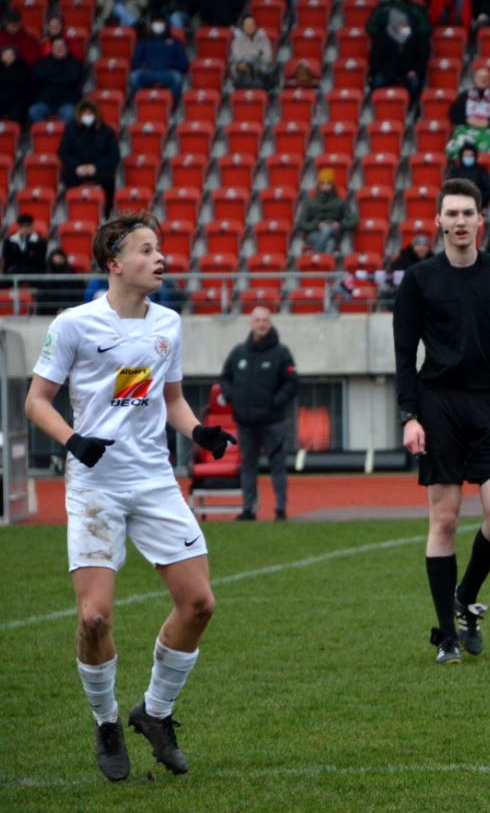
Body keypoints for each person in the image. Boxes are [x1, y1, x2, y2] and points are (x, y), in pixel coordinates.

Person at [24, 210, 236, 782]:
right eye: (146, 249)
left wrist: (200, 432)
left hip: (155, 481)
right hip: (96, 486)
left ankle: (155, 713)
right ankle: (106, 722)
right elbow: (37, 401)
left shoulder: (167, 322)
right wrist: (74, 441)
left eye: (159, 248)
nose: (159, 257)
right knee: (94, 617)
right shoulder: (74, 324)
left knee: (200, 604)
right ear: (114, 263)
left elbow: (169, 399)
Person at [393, 178, 490, 664]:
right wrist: (409, 415)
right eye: (451, 214)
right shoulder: (418, 280)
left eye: (467, 213)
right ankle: (447, 637)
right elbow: (404, 354)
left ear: (481, 220)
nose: (460, 222)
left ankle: (465, 596)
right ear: (438, 220)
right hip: (439, 405)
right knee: (445, 519)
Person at [220, 307, 299, 521]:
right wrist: (232, 398)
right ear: (251, 323)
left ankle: (280, 509)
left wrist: (275, 403)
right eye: (257, 320)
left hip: (272, 421)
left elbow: (292, 383)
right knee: (248, 466)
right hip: (245, 421)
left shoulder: (281, 353)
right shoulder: (239, 353)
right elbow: (225, 378)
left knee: (278, 465)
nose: (261, 324)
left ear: (270, 324)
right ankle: (249, 509)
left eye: (265, 320)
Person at [367, 0, 432, 100]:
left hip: (409, 66)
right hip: (387, 67)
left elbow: (425, 38)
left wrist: (415, 70)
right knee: (377, 82)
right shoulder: (383, 9)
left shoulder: (416, 10)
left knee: (414, 84)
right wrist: (379, 70)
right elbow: (372, 31)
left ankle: (412, 110)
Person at [58, 99, 121, 215]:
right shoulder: (71, 130)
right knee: (67, 177)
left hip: (99, 169)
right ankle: (73, 212)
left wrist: (96, 167)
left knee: (108, 179)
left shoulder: (107, 131)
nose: (87, 115)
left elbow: (114, 155)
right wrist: (77, 167)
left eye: (90, 113)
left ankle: (107, 212)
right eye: (85, 113)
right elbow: (63, 153)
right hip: (77, 169)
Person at [447, 66, 490, 159]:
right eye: (480, 77)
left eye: (486, 77)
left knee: (489, 139)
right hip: (468, 126)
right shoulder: (464, 96)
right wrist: (468, 120)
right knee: (460, 138)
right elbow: (453, 114)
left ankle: (486, 162)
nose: (483, 79)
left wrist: (489, 123)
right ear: (474, 79)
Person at [128, 13, 189, 102]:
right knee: (133, 77)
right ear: (151, 25)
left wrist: (171, 65)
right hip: (148, 73)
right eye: (155, 22)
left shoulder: (175, 42)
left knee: (178, 78)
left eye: (161, 22)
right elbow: (135, 63)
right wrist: (144, 66)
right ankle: (142, 102)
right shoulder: (144, 42)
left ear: (166, 24)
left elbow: (184, 64)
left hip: (168, 73)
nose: (158, 25)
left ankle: (172, 105)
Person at [295, 168, 357, 254]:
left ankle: (315, 256)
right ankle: (323, 261)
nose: (325, 186)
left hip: (335, 233)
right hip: (314, 233)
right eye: (323, 183)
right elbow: (300, 224)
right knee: (330, 243)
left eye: (328, 183)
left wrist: (340, 224)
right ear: (318, 185)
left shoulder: (340, 202)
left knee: (327, 230)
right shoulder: (310, 202)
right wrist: (317, 225)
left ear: (332, 185)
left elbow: (353, 220)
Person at [28, 36, 85, 125]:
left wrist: (50, 77)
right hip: (45, 101)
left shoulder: (75, 63)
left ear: (67, 48)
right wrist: (60, 77)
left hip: (67, 102)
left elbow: (73, 79)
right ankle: (44, 133)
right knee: (33, 111)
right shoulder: (43, 62)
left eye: (61, 46)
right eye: (56, 47)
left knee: (70, 113)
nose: (59, 49)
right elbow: (36, 78)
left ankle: (64, 134)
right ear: (52, 49)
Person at [229, 13, 275, 89]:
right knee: (243, 63)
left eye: (252, 24)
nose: (250, 27)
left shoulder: (264, 40)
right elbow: (237, 58)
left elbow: (268, 59)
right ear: (243, 27)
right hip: (242, 73)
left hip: (260, 72)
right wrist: (257, 55)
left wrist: (254, 61)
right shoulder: (236, 42)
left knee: (260, 66)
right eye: (247, 25)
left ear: (256, 26)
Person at [35, 248, 87, 315]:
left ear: (64, 259)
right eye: (55, 260)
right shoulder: (46, 281)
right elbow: (43, 303)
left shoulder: (73, 277)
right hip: (50, 315)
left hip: (71, 314)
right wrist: (55, 311)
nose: (58, 262)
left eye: (60, 259)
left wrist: (66, 310)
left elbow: (78, 298)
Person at [446, 140, 490, 209]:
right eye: (466, 155)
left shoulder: (481, 171)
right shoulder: (455, 171)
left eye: (471, 155)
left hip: (477, 205)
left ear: (475, 157)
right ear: (461, 156)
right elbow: (448, 188)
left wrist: (478, 200)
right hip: (457, 205)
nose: (468, 157)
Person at [0, 45, 31, 123]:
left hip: (17, 99)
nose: (5, 56)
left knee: (17, 113)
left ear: (14, 56)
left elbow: (23, 85)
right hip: (1, 98)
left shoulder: (22, 67)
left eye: (8, 54)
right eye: (3, 54)